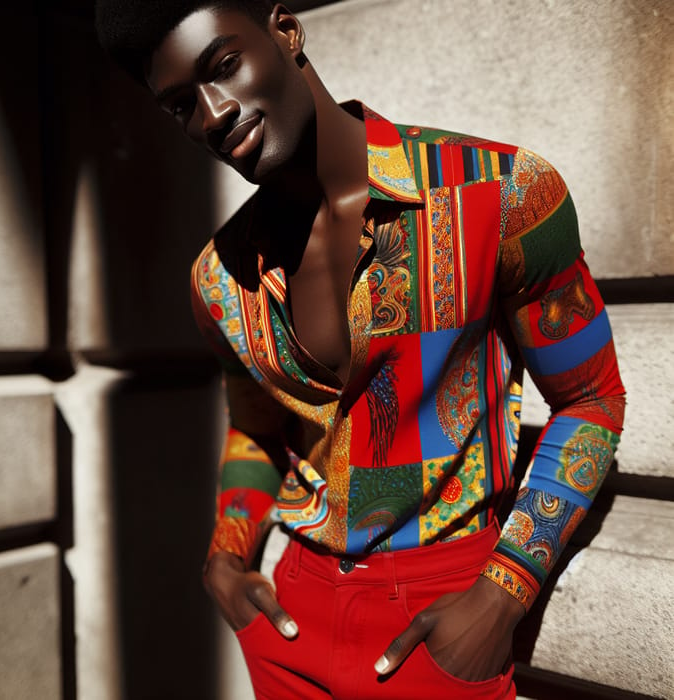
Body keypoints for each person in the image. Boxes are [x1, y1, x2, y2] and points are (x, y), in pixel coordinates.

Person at [95, 2, 626, 698]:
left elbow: (591, 400)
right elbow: (257, 428)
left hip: (438, 625)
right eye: (178, 106)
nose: (212, 114)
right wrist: (225, 558)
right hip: (290, 625)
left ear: (285, 32)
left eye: (223, 67)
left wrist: (503, 592)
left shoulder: (499, 192)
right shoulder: (217, 279)